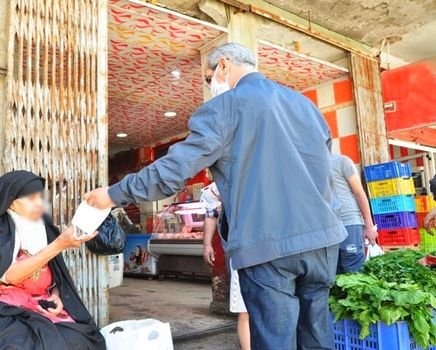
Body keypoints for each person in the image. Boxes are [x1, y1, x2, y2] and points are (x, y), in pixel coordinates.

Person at [85, 42, 346, 349]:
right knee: (318, 338)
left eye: (208, 79)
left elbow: (172, 171)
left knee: (276, 341)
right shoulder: (305, 106)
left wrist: (113, 194)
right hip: (324, 242)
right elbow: (321, 166)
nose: (211, 87)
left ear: (223, 65)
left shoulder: (224, 108)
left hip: (269, 245)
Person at [0, 171, 106, 350]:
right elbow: (11, 276)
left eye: (41, 197)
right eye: (31, 198)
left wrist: (56, 295)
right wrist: (59, 244)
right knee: (19, 343)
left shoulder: (44, 227)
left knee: (81, 338)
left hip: (38, 302)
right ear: (11, 202)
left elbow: (56, 274)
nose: (39, 203)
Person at [201, 183, 251, 350]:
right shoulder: (220, 185)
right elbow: (211, 210)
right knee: (245, 311)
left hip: (269, 250)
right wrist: (207, 244)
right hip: (242, 252)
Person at [331, 154, 378, 273]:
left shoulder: (342, 161)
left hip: (349, 222)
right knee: (332, 271)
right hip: (327, 227)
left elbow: (359, 193)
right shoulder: (309, 165)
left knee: (354, 270)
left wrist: (369, 226)